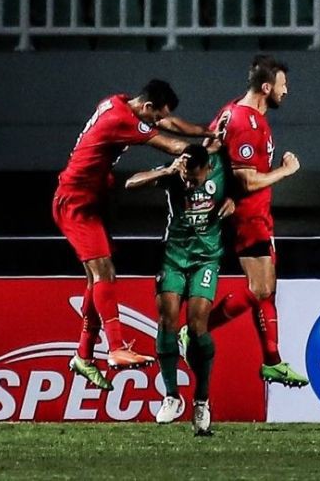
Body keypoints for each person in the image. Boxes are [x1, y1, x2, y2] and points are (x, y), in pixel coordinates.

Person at [54, 80, 211, 391]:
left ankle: (84, 356)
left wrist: (208, 133)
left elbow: (170, 124)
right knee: (104, 272)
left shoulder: (119, 101)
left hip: (90, 200)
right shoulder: (121, 119)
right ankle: (114, 348)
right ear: (147, 108)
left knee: (95, 279)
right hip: (76, 201)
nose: (156, 122)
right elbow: (170, 144)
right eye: (155, 117)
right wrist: (210, 152)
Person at [196, 54, 308, 387]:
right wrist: (285, 171)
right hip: (249, 216)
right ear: (266, 87)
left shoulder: (231, 111)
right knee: (260, 289)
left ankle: (273, 360)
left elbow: (210, 150)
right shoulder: (247, 122)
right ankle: (197, 329)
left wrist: (221, 190)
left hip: (252, 213)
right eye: (283, 86)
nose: (286, 92)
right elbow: (246, 179)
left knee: (267, 292)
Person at [126, 143, 233, 436]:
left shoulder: (221, 168)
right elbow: (130, 182)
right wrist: (169, 170)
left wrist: (234, 201)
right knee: (167, 319)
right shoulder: (175, 173)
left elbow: (246, 188)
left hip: (206, 258)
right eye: (185, 176)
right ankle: (172, 396)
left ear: (208, 170)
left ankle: (202, 401)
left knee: (198, 325)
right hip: (172, 256)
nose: (188, 183)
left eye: (194, 179)